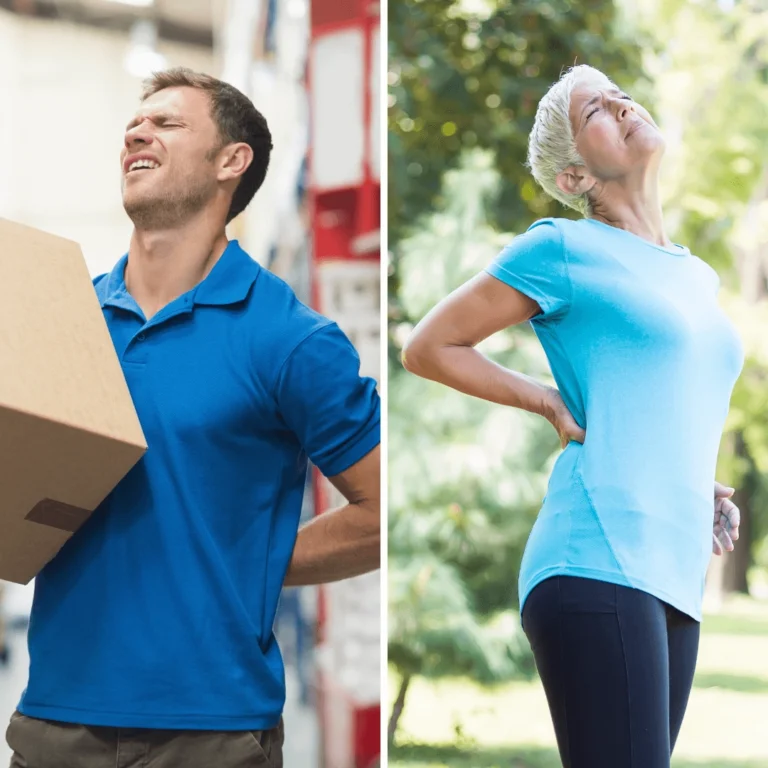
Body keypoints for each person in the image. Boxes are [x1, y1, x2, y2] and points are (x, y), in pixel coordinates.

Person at [5, 68, 380, 768]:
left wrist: (256, 564)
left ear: (230, 162)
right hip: (55, 720)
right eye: (133, 125)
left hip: (213, 732)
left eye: (167, 123)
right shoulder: (67, 325)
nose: (136, 132)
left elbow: (388, 511)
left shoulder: (288, 337)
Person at [402, 64, 743, 768]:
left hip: (672, 565)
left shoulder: (695, 275)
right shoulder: (561, 247)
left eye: (618, 92)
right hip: (595, 554)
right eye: (596, 108)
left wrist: (692, 484)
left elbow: (655, 399)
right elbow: (430, 345)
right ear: (573, 179)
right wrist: (543, 398)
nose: (621, 103)